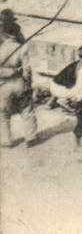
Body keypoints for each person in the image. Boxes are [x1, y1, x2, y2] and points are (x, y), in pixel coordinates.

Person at [0, 8, 36, 147]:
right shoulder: (21, 47)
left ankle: (6, 140)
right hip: (20, 82)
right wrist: (28, 83)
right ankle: (31, 137)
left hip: (3, 84)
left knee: (3, 113)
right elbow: (27, 69)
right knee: (27, 109)